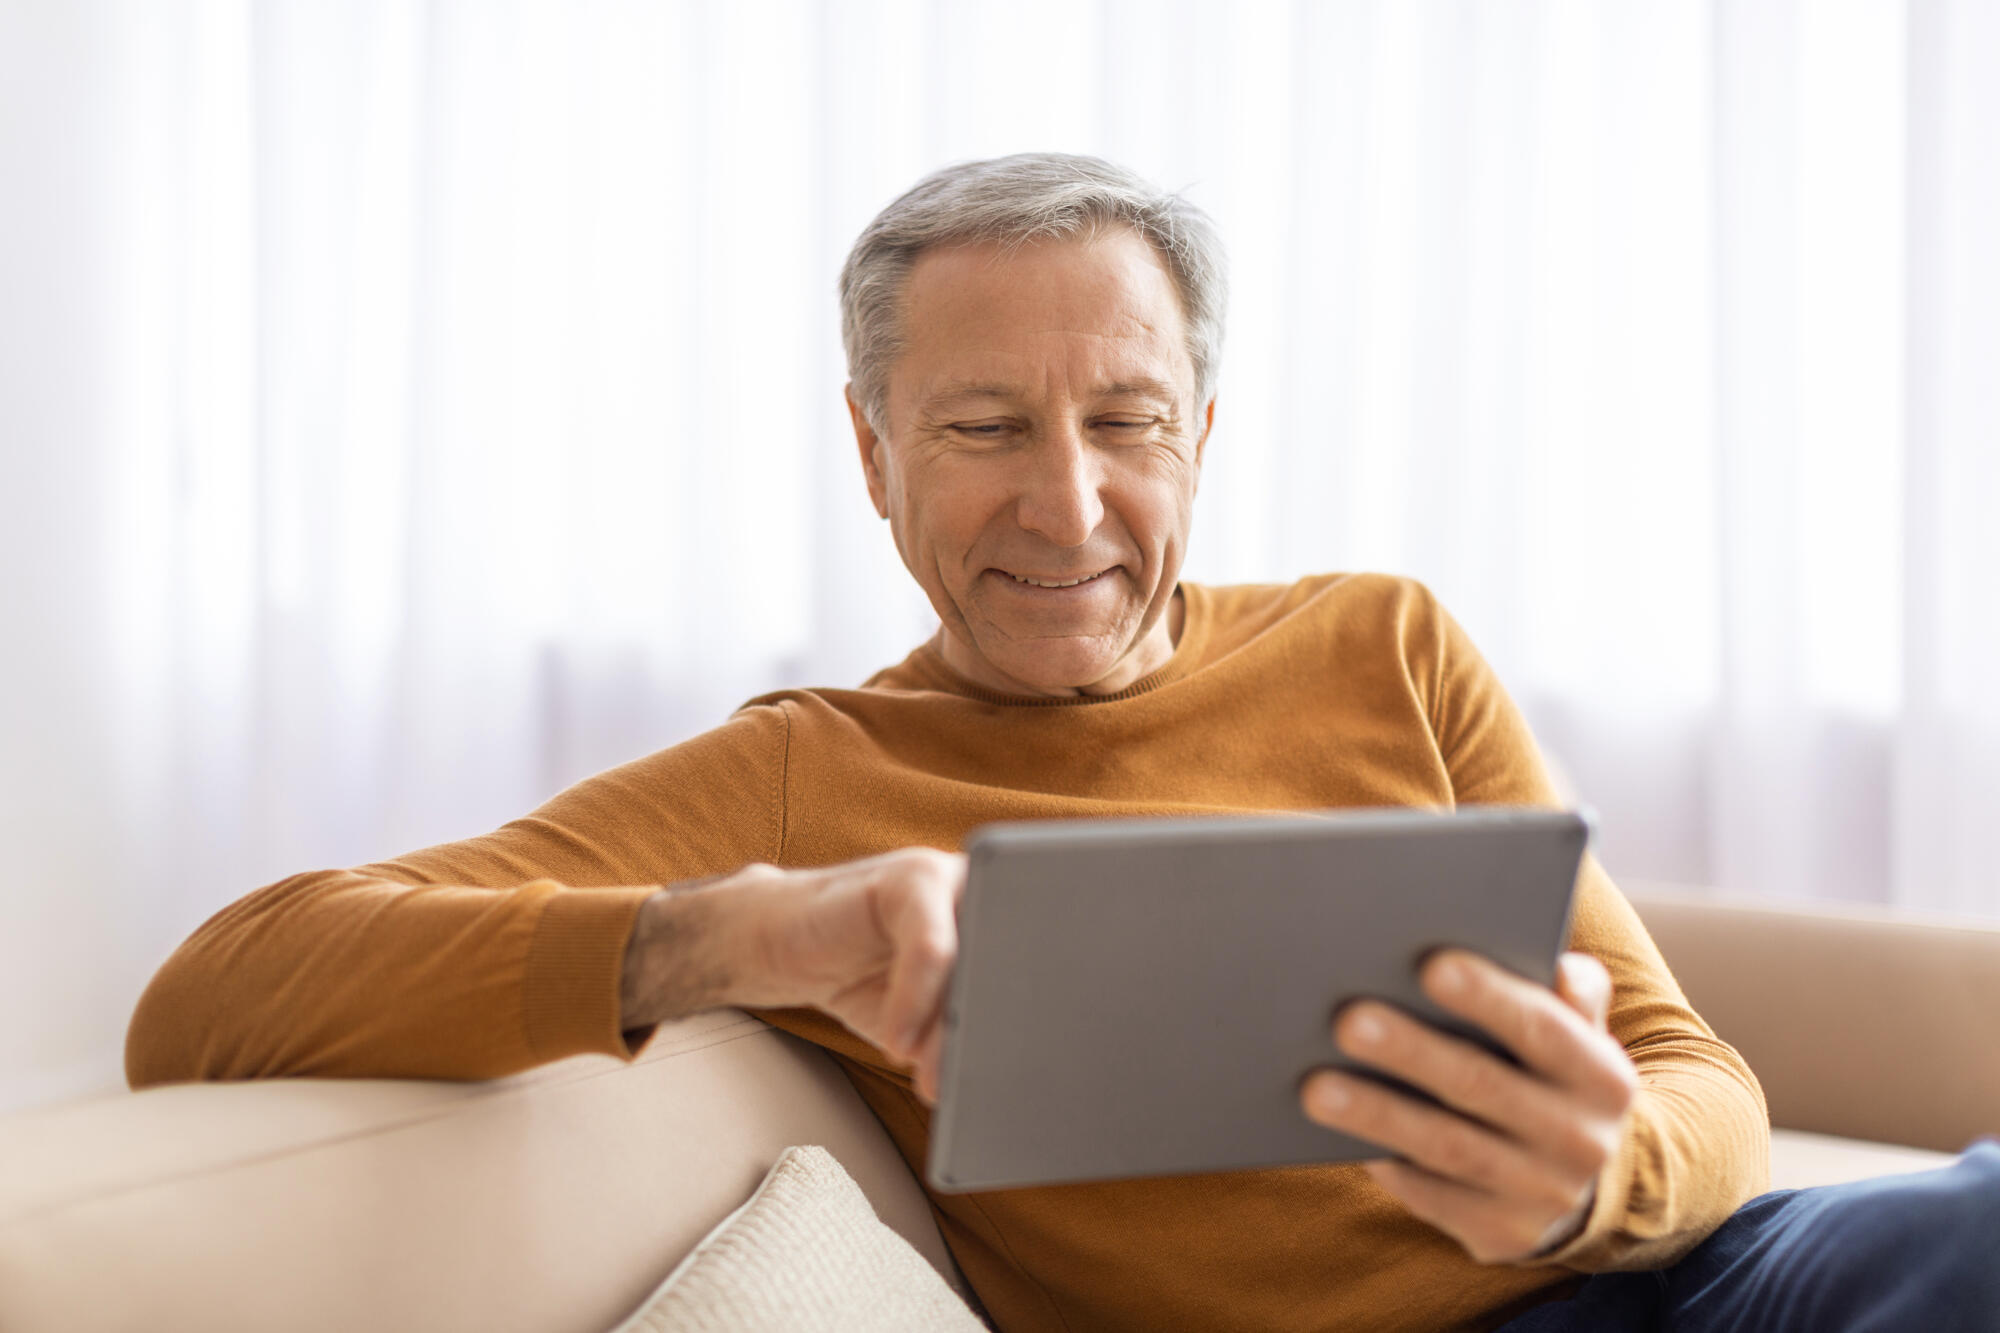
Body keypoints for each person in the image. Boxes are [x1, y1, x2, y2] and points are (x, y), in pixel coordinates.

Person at [126, 153, 1997, 1332]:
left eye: (1126, 417)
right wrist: (742, 932)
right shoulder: (806, 772)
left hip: (1684, 1282)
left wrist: (1603, 1179)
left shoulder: (1386, 642)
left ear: (1203, 429)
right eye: (981, 428)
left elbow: (1696, 1071)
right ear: (870, 451)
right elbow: (213, 994)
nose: (1070, 502)